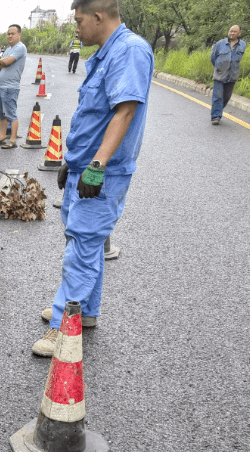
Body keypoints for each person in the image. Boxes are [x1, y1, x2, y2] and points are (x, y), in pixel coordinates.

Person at [32, 0, 153, 356]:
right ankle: (85, 313)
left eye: (79, 20)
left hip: (103, 173)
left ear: (99, 16)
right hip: (84, 168)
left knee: (82, 248)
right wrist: (73, 161)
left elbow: (125, 110)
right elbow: (94, 115)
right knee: (84, 244)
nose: (76, 27)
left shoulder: (130, 51)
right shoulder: (105, 53)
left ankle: (61, 327)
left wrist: (97, 165)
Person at [0, 24, 26, 149]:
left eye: (12, 33)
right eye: (8, 33)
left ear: (19, 35)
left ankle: (13, 140)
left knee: (11, 114)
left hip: (11, 86)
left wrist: (1, 61)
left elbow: (5, 62)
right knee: (2, 114)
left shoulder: (20, 47)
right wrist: (1, 62)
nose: (9, 36)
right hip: (2, 86)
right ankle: (2, 137)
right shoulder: (9, 49)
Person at [210, 25, 246, 125]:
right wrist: (218, 67)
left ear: (239, 33)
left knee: (226, 97)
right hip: (219, 75)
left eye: (235, 31)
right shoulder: (220, 43)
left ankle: (217, 110)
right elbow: (213, 58)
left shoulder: (242, 44)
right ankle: (215, 117)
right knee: (218, 97)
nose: (232, 33)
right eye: (230, 31)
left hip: (232, 76)